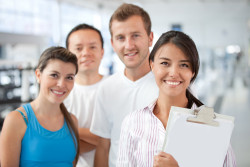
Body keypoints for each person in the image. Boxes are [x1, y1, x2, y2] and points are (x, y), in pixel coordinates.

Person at [117, 31, 237, 167]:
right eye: (165, 63)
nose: (173, 73)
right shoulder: (133, 123)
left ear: (193, 71)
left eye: (184, 65)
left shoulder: (214, 128)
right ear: (152, 65)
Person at [90, 3, 159, 167]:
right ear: (113, 44)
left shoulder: (171, 86)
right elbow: (103, 146)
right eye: (121, 38)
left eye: (135, 35)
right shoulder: (106, 89)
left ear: (150, 38)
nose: (128, 45)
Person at [0, 46, 80, 167]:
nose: (61, 84)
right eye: (54, 75)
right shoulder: (16, 120)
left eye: (69, 77)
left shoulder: (72, 121)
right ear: (38, 75)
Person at [64, 23, 106, 167]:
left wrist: (70, 128)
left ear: (102, 52)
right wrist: (103, 139)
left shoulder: (116, 88)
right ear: (68, 54)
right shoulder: (60, 93)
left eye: (92, 47)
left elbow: (121, 137)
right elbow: (56, 143)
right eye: (78, 48)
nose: (86, 53)